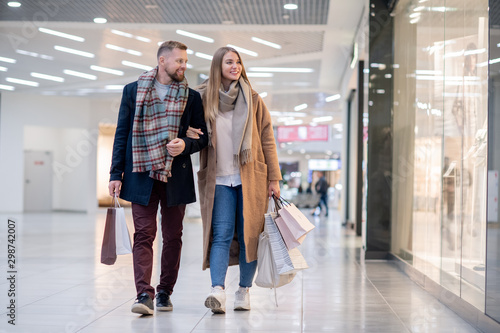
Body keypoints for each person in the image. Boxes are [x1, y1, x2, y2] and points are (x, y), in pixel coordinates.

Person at [108, 40, 208, 315]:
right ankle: (143, 294)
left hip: (176, 174)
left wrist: (184, 145)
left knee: (173, 235)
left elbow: (203, 138)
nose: (184, 66)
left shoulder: (192, 97)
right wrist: (116, 173)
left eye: (185, 61)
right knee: (144, 234)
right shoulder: (133, 91)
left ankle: (164, 292)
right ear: (162, 61)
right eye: (179, 61)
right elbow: (122, 134)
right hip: (141, 173)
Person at [186, 46, 281, 314]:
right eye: (229, 62)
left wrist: (274, 177)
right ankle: (218, 290)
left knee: (249, 234)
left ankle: (243, 291)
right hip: (218, 179)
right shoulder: (202, 98)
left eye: (238, 62)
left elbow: (267, 139)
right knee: (221, 234)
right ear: (218, 65)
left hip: (250, 178)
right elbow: (192, 130)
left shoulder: (252, 98)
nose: (235, 66)